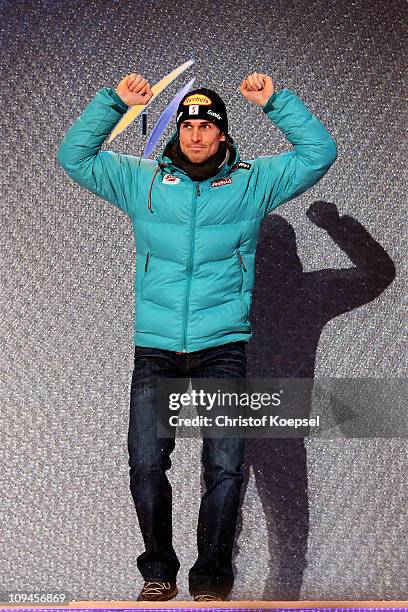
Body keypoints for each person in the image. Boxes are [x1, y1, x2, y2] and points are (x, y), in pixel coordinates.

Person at [57, 72, 337, 601]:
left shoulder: (252, 184)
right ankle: (158, 571)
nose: (196, 134)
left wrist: (275, 102)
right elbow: (75, 156)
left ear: (224, 135)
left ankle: (211, 577)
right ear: (176, 132)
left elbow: (319, 152)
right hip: (157, 348)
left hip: (221, 349)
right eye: (188, 124)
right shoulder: (142, 181)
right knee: (145, 465)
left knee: (227, 468)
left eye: (207, 125)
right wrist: (114, 102)